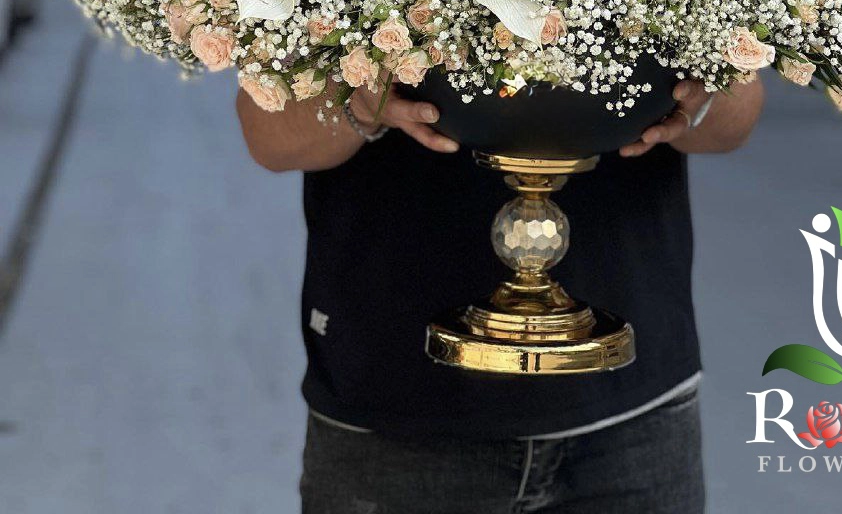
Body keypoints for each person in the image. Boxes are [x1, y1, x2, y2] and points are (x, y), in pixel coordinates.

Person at [237, 71, 764, 514]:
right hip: (393, 410)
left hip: (636, 411)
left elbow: (733, 123)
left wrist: (698, 95)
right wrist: (359, 103)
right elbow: (269, 136)